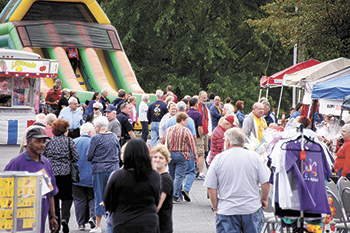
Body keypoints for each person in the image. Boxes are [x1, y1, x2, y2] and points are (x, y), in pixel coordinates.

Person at [204, 128, 270, 233]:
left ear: (228, 141)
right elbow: (265, 182)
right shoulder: (254, 157)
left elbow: (211, 187)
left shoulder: (218, 159)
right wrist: (264, 199)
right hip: (251, 208)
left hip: (227, 209)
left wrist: (215, 207)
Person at [4, 128, 59, 233]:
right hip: (21, 218)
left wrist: (53, 216)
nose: (42, 145)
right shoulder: (17, 163)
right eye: (37, 141)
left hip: (40, 217)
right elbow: (5, 190)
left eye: (43, 141)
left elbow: (50, 193)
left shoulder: (46, 163)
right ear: (28, 142)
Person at [103, 138, 161, 233]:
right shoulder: (154, 176)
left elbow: (108, 202)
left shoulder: (117, 175)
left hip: (123, 221)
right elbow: (156, 200)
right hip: (148, 222)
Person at [43, 118, 80, 233]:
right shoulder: (69, 141)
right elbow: (76, 157)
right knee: (67, 197)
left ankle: (56, 220)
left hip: (52, 173)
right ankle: (65, 218)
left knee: (54, 198)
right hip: (66, 173)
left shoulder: (49, 142)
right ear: (65, 130)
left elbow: (43, 156)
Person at [87, 116, 120, 233]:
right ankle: (113, 222)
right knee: (113, 196)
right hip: (113, 168)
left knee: (99, 195)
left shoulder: (95, 138)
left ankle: (98, 226)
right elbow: (119, 152)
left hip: (99, 169)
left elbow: (89, 156)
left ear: (98, 127)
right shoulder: (113, 137)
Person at [162, 112, 197, 203]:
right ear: (181, 120)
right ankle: (173, 195)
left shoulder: (169, 129)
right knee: (179, 176)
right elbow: (192, 144)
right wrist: (195, 155)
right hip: (182, 155)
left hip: (170, 154)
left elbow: (163, 140)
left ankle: (178, 195)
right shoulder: (186, 130)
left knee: (172, 176)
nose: (187, 122)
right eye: (186, 120)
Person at [73, 123, 96, 231]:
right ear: (90, 132)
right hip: (91, 176)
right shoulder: (94, 141)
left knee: (79, 200)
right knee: (93, 197)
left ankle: (81, 223)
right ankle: (93, 217)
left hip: (77, 176)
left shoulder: (74, 141)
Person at [151, 145, 174, 233]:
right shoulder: (156, 176)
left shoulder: (165, 179)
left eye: (161, 158)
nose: (157, 160)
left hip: (162, 226)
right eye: (155, 157)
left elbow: (158, 205)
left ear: (166, 161)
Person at [197, 91, 212, 180]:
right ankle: (200, 172)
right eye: (203, 98)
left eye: (206, 98)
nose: (205, 99)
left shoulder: (206, 108)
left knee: (204, 153)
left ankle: (200, 171)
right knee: (201, 153)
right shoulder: (197, 107)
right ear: (199, 98)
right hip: (200, 133)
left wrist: (209, 132)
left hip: (206, 133)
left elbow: (209, 120)